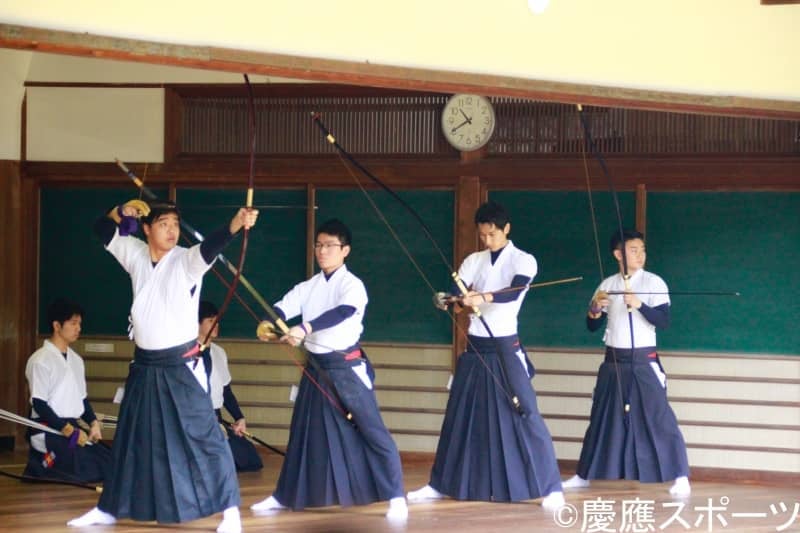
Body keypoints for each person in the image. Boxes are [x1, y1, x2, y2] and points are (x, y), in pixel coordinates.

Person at [68, 199, 258, 533]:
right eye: (163, 224)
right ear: (146, 228)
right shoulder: (136, 254)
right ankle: (108, 508)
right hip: (144, 366)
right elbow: (102, 228)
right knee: (129, 438)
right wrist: (121, 211)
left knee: (206, 436)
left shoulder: (185, 260)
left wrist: (234, 224)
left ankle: (230, 511)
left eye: (175, 224)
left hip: (180, 366)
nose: (171, 231)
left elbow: (210, 247)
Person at [407, 201, 564, 509]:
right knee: (458, 415)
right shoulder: (473, 260)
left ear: (506, 229)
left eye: (492, 234)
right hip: (476, 347)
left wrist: (483, 296)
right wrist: (452, 300)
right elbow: (459, 295)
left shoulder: (524, 260)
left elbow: (515, 291)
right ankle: (440, 484)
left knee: (526, 411)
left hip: (505, 345)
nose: (487, 240)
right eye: (482, 235)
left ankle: (551, 488)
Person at [250, 218, 408, 521]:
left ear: (345, 250)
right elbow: (282, 307)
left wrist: (304, 328)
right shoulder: (309, 286)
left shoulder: (352, 286)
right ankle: (284, 495)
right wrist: (269, 323)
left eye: (330, 246)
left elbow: (343, 312)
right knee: (302, 432)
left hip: (345, 367)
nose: (322, 251)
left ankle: (396, 495)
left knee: (371, 428)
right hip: (316, 367)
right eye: (319, 245)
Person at [562, 229, 691, 496]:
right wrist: (595, 309)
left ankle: (680, 476)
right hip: (613, 361)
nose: (640, 255)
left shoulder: (654, 282)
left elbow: (663, 321)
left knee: (658, 417)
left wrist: (639, 304)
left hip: (643, 361)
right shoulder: (607, 284)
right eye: (633, 250)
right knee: (601, 417)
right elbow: (592, 325)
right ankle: (584, 474)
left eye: (642, 250)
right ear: (618, 254)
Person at [24, 298, 112, 483]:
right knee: (84, 467)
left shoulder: (76, 360)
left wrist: (93, 424)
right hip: (48, 429)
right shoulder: (40, 360)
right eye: (73, 323)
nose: (78, 328)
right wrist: (68, 430)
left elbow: (82, 399)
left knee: (108, 461)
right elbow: (39, 404)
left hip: (72, 430)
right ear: (57, 326)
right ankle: (38, 467)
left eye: (79, 323)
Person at [198, 300, 263, 472]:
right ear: (197, 324)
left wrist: (239, 418)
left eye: (217, 321)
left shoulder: (219, 352)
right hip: (194, 417)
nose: (216, 325)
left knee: (250, 459)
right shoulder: (186, 353)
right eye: (210, 321)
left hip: (215, 417)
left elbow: (226, 391)